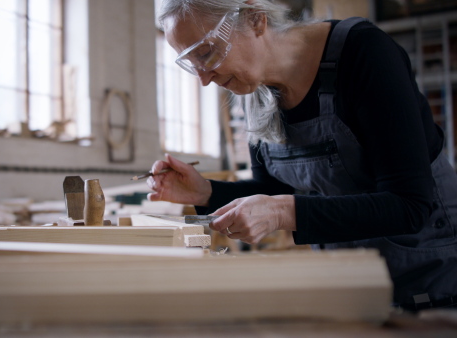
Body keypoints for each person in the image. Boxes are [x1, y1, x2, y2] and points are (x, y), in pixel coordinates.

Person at [148, 0, 457, 311]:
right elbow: (275, 190)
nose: (203, 79)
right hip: (353, 281)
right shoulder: (252, 91)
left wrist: (284, 212)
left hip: (432, 278)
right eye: (191, 63)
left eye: (206, 52)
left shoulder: (364, 53)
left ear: (255, 19)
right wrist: (205, 191)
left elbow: (410, 205)